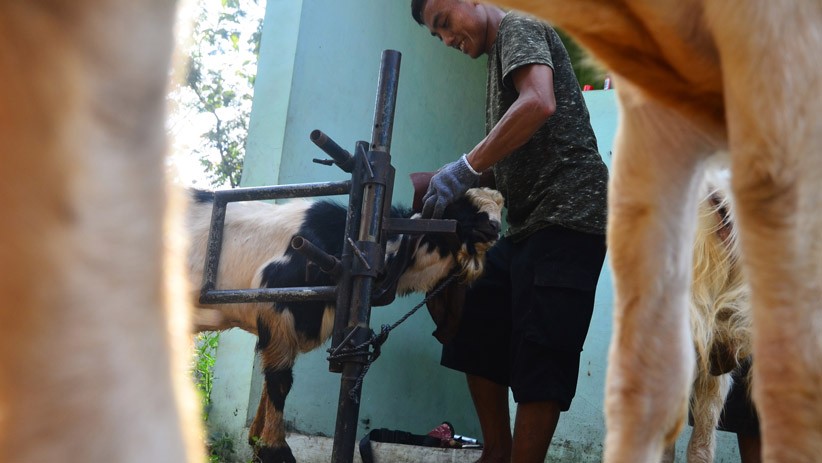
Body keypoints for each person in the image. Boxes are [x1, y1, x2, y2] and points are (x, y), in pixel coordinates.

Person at [410, 1, 609, 462]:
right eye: (436, 36)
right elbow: (506, 161)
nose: (447, 40)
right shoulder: (498, 61)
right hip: (528, 224)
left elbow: (539, 101)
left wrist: (464, 167)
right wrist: (447, 179)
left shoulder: (518, 25)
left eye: (445, 23)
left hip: (570, 215)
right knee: (476, 317)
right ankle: (497, 452)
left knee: (543, 350)